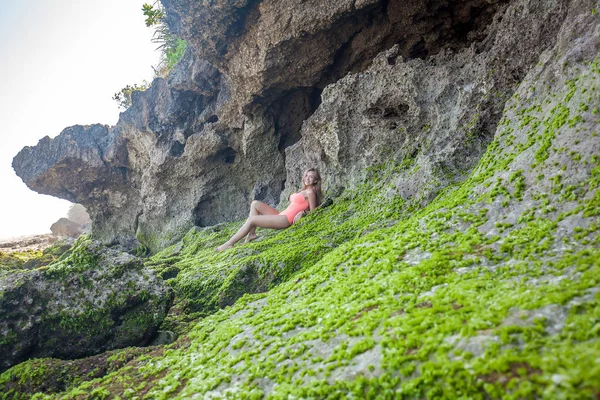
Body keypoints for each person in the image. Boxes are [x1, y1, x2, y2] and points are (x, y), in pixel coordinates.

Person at [216, 168, 322, 251]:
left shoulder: (310, 192)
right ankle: (251, 234)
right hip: (282, 214)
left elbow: (314, 211)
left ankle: (229, 243)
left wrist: (303, 212)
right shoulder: (302, 190)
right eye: (306, 175)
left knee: (252, 220)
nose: (307, 178)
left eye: (311, 177)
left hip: (286, 220)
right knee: (255, 204)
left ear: (315, 180)